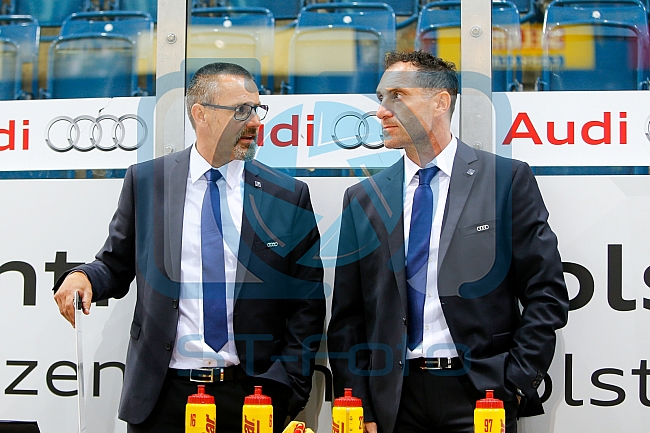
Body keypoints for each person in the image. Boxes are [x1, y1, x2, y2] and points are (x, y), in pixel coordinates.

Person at [53, 62, 325, 433]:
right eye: (241, 111)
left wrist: (287, 390)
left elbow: (306, 304)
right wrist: (83, 276)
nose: (255, 122)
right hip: (162, 398)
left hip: (253, 398)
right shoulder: (148, 181)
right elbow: (115, 264)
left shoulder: (287, 195)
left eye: (257, 109)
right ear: (201, 114)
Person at [327, 51, 569, 433]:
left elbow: (546, 292)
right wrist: (357, 405)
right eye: (381, 98)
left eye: (398, 96)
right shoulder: (364, 197)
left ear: (440, 101)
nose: (381, 112)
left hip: (481, 396)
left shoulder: (504, 180)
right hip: (393, 399)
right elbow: (348, 316)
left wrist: (516, 382)